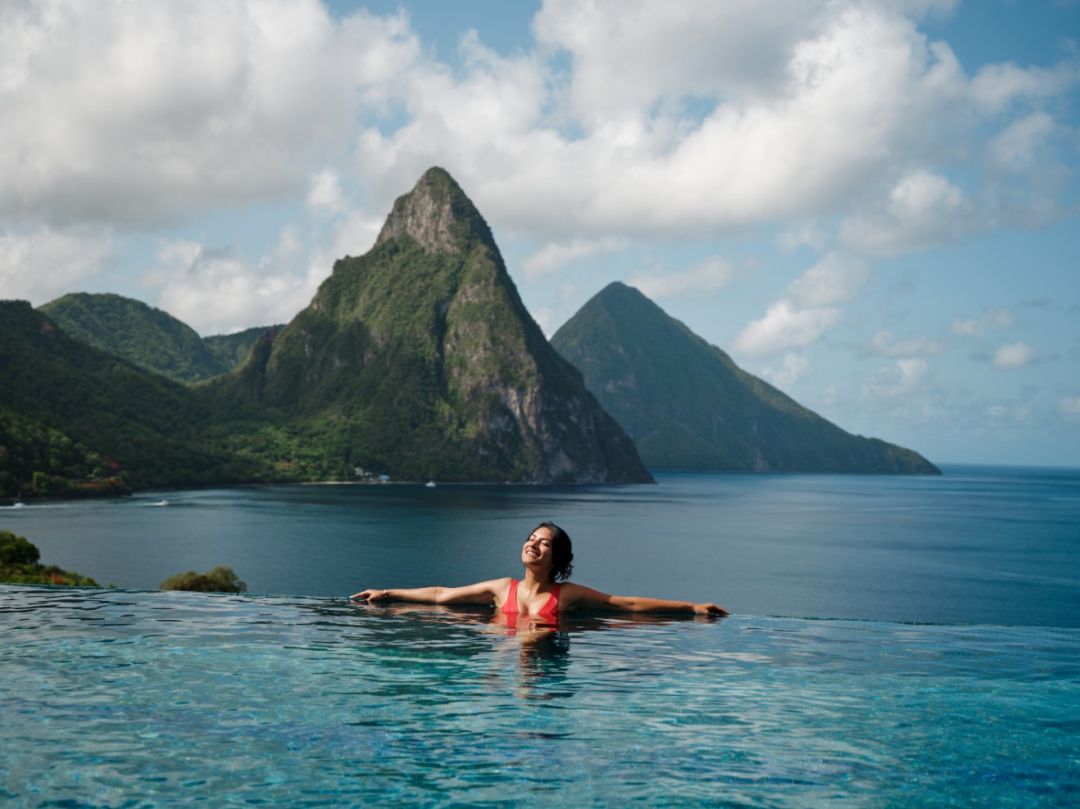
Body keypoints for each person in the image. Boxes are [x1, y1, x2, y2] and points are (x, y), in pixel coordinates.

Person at [350, 521, 729, 620]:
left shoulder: (568, 595)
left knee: (530, 644)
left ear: (556, 558)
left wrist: (692, 607)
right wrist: (386, 593)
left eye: (543, 542)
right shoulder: (502, 588)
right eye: (530, 537)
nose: (532, 543)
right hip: (507, 653)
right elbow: (440, 595)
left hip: (545, 657)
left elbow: (625, 604)